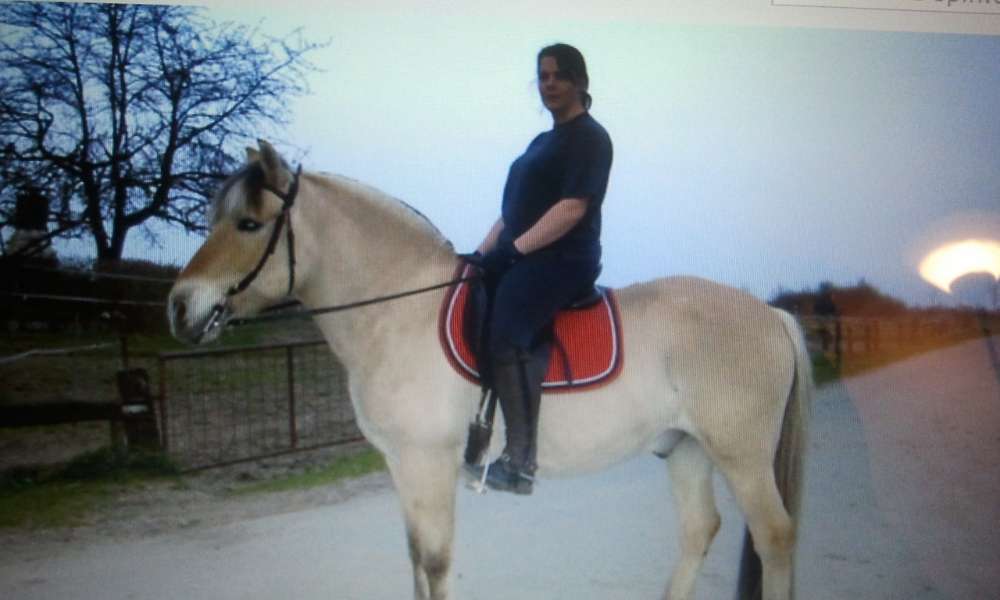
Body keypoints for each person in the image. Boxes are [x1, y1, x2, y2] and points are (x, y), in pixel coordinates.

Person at [466, 43, 613, 494]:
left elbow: (571, 208)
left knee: (508, 325)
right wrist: (480, 254)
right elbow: (512, 211)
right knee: (474, 299)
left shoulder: (591, 138)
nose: (549, 84)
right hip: (527, 250)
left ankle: (520, 459)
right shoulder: (540, 142)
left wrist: (515, 253)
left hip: (565, 257)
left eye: (558, 76)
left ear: (579, 82)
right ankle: (477, 429)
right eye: (543, 76)